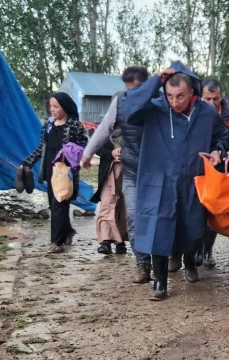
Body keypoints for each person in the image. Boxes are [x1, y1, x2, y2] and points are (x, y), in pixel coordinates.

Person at [118, 61, 229, 300]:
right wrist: (156, 80)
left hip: (192, 180)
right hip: (159, 180)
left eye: (180, 96)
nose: (175, 102)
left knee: (192, 228)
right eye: (170, 96)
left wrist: (218, 151)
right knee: (159, 229)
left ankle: (189, 260)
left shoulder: (206, 112)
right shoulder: (155, 109)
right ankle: (160, 281)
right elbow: (127, 108)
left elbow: (222, 134)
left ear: (192, 92)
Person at [81, 65, 152, 282]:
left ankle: (165, 259)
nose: (132, 94)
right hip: (130, 169)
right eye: (129, 88)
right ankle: (142, 264)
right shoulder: (120, 102)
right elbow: (104, 129)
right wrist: (87, 153)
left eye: (137, 89)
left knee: (156, 216)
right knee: (132, 215)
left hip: (154, 171)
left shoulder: (158, 103)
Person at [194, 78, 229, 268]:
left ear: (222, 97)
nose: (211, 103)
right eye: (207, 99)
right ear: (200, 96)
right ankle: (193, 250)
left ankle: (207, 250)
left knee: (214, 213)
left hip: (219, 171)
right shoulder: (192, 113)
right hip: (195, 170)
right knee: (193, 212)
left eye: (216, 99)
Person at [22, 92, 89, 253]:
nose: (52, 110)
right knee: (56, 205)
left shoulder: (75, 126)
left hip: (65, 171)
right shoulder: (49, 124)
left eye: (56, 106)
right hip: (50, 170)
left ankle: (57, 243)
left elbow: (84, 145)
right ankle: (68, 232)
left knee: (59, 204)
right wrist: (27, 162)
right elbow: (41, 147)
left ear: (65, 107)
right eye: (51, 106)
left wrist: (70, 152)